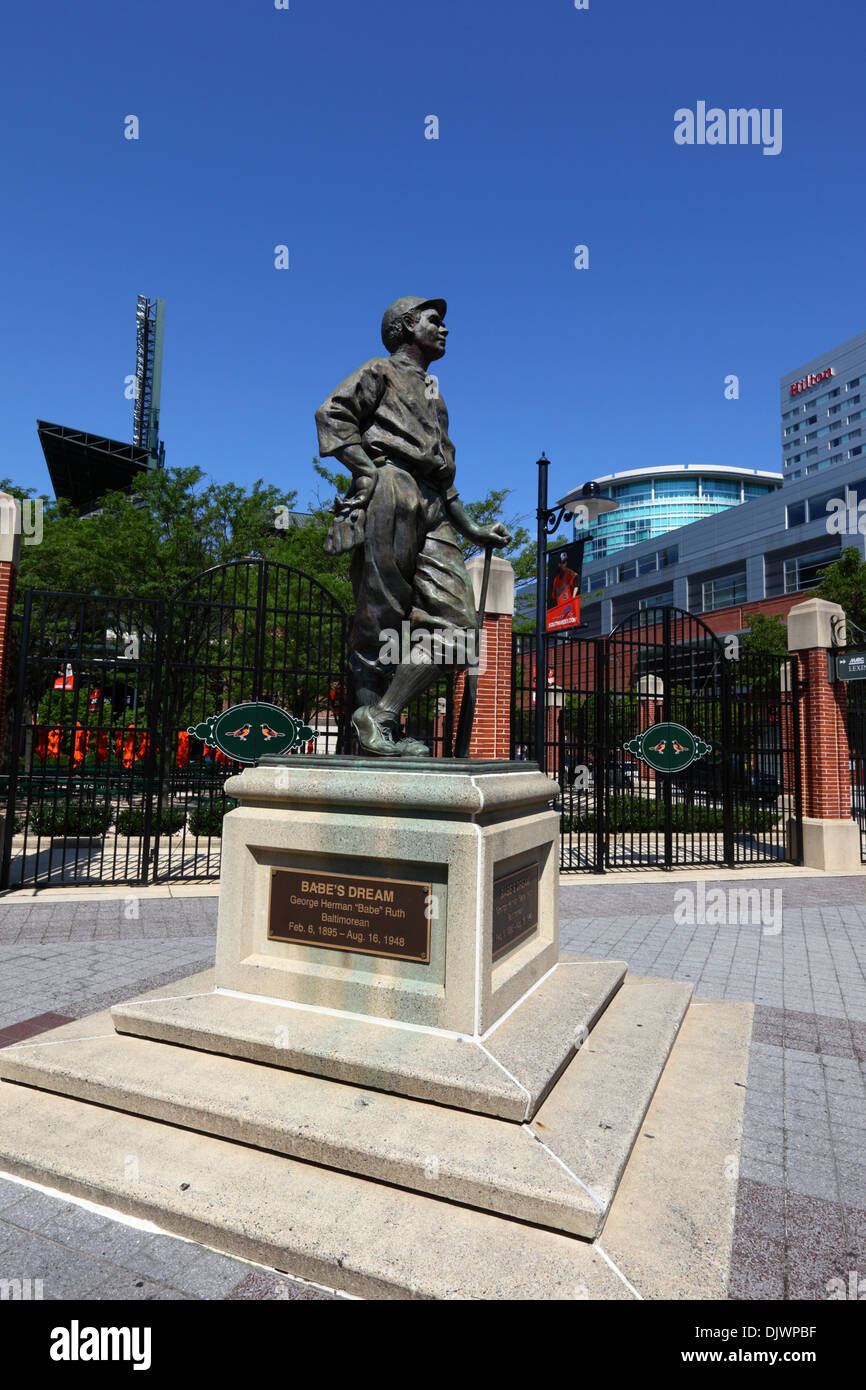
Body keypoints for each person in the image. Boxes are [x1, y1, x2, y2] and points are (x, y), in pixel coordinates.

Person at [315, 296, 510, 756]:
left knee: (459, 628)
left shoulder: (433, 391)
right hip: (392, 487)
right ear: (407, 326)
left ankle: (379, 716)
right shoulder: (379, 370)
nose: (444, 329)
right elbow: (332, 415)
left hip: (434, 503)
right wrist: (367, 472)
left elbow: (446, 476)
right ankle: (372, 733)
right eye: (434, 321)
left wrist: (474, 529)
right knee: (380, 614)